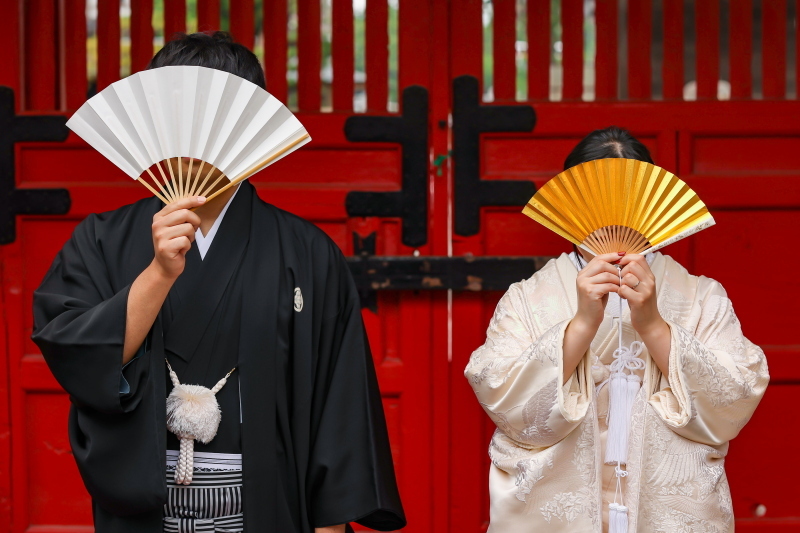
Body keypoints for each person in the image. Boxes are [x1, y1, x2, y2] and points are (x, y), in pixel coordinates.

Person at [32, 32, 405, 533]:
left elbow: (339, 400)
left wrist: (331, 524)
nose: (193, 137)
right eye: (176, 117)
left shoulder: (307, 252)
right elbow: (76, 354)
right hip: (146, 509)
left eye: (212, 118)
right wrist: (159, 273)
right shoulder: (102, 240)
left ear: (249, 126)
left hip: (267, 506)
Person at [464, 126, 768, 532]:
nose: (615, 217)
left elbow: (735, 395)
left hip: (665, 509)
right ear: (570, 206)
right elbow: (499, 390)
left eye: (630, 200)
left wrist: (654, 325)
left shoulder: (701, 296)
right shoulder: (526, 298)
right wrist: (582, 324)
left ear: (652, 202)